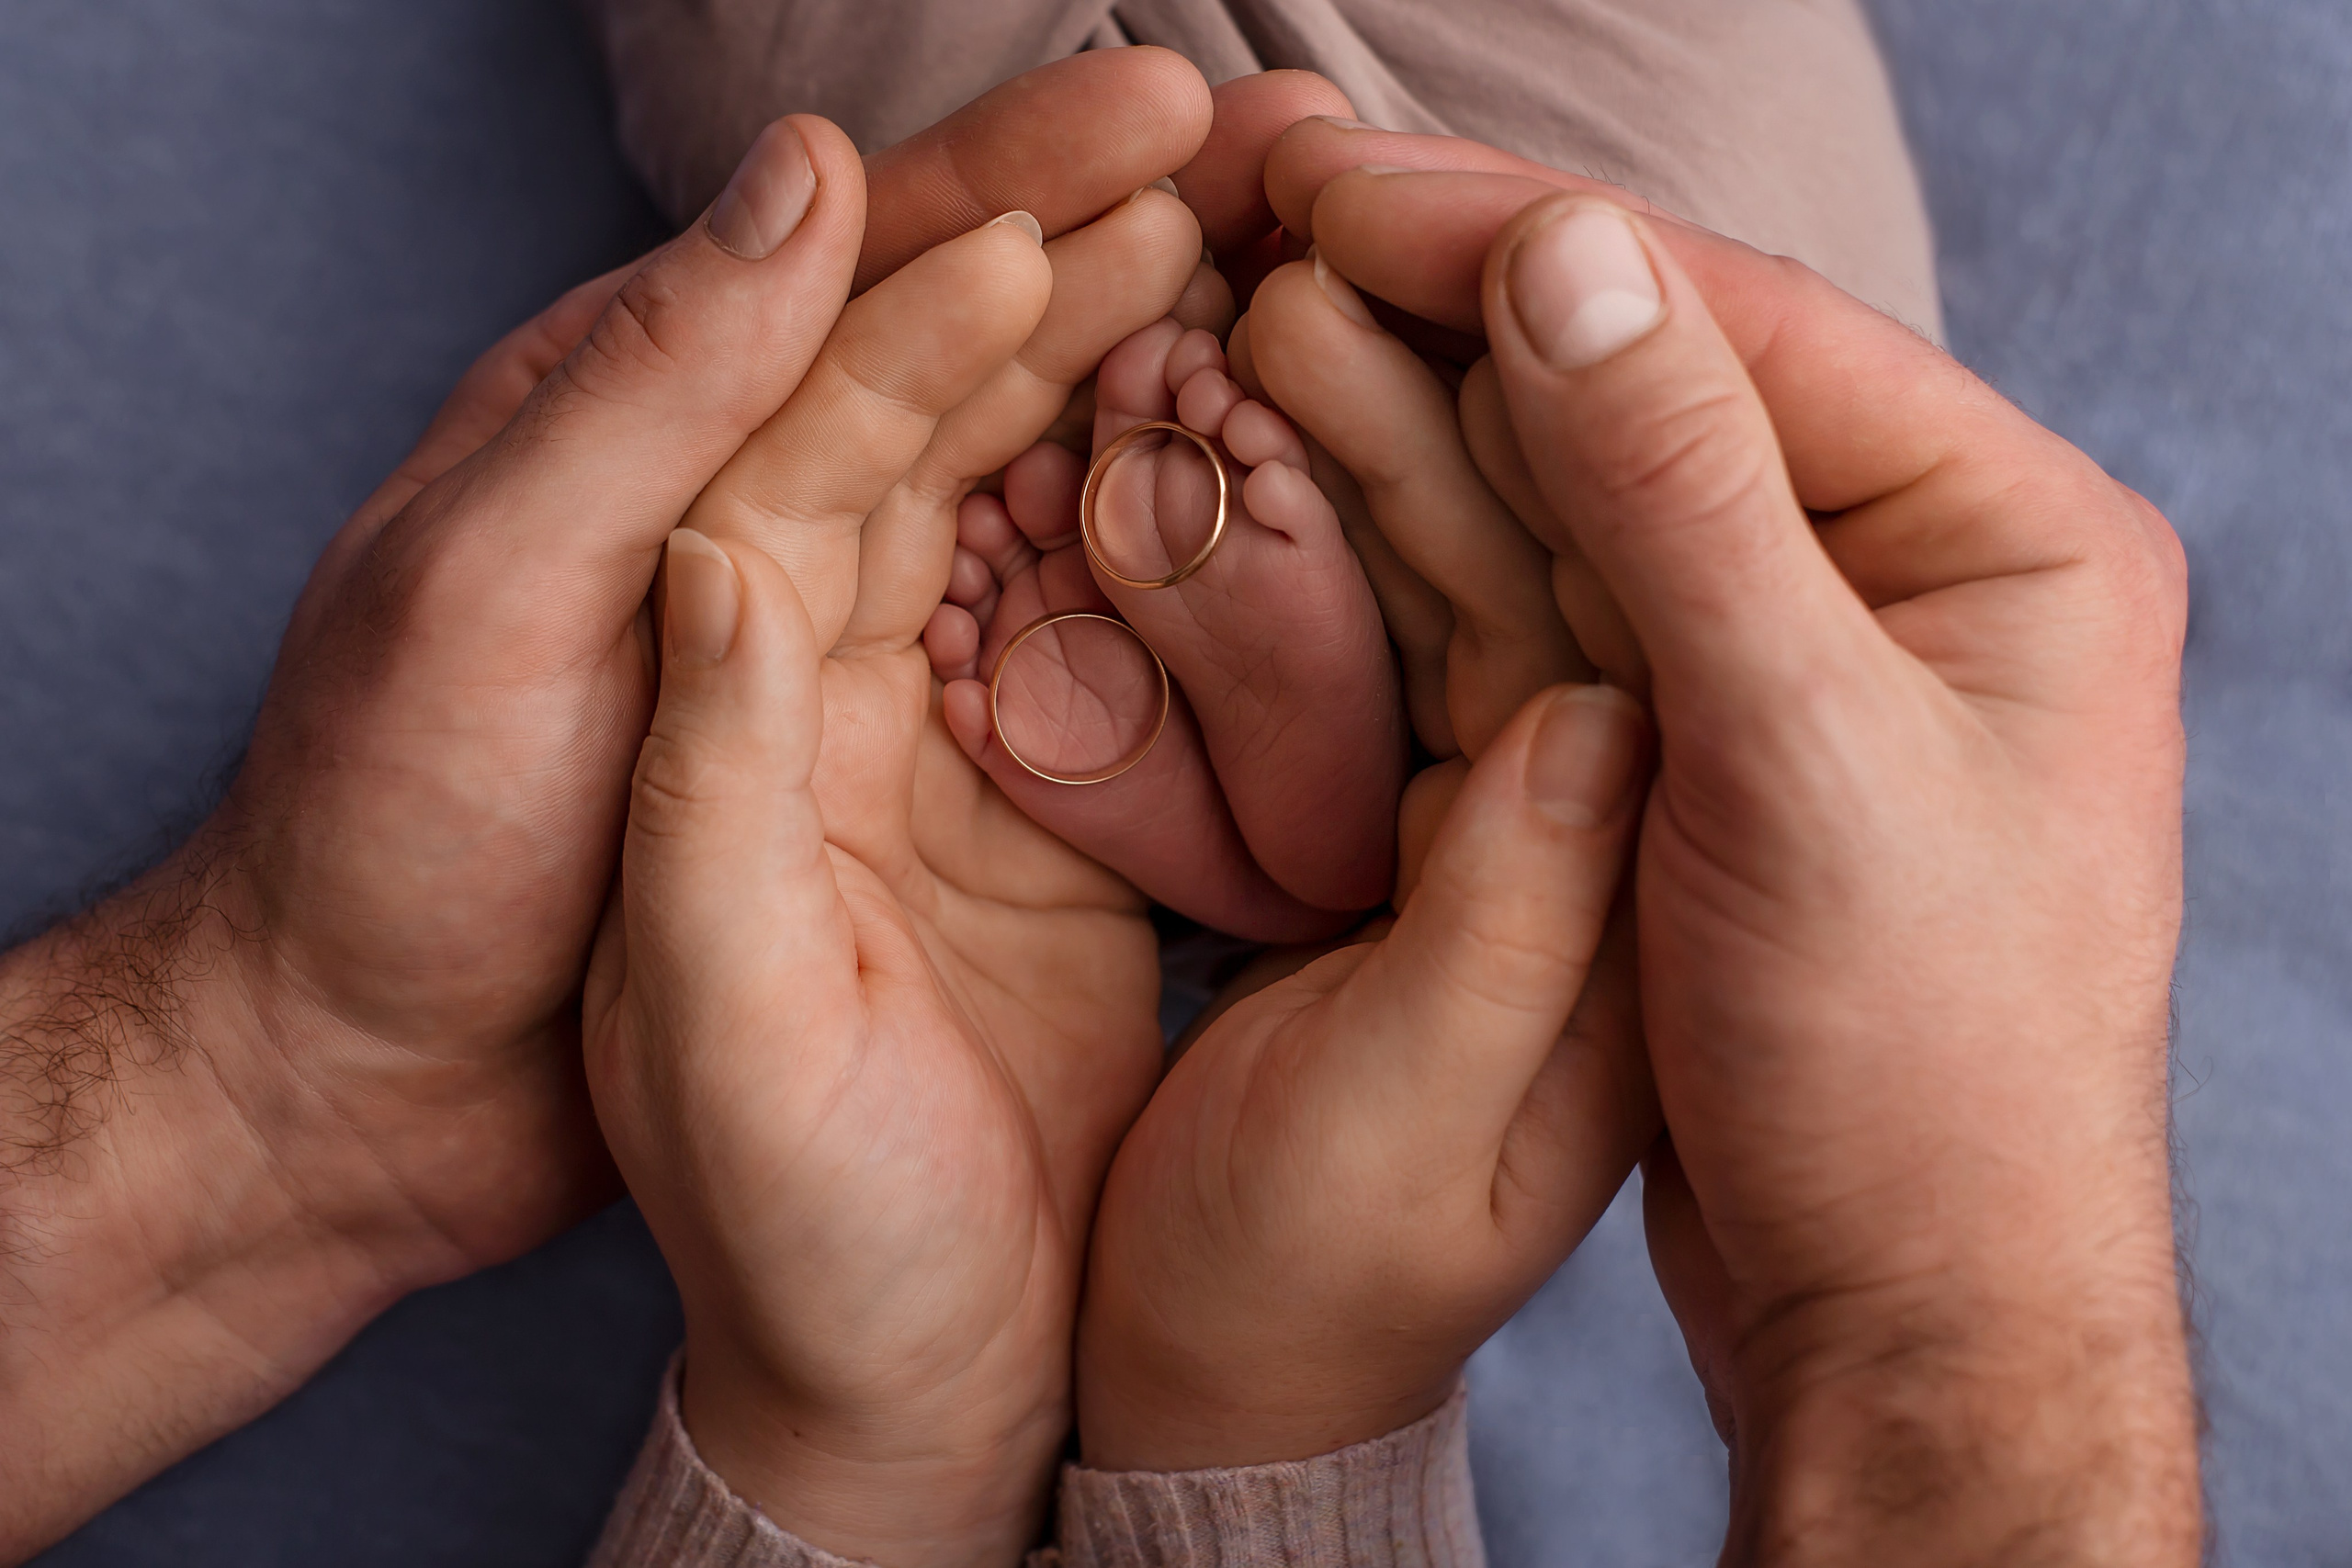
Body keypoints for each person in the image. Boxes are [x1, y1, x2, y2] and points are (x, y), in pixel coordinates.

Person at [0, 43, 2201, 1568]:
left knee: (1073, 214)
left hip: (1073, 448)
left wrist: (280, 1065)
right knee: (1597, 407)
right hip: (1516, 556)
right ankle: (1303, 763)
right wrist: (1948, 1326)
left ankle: (1291, 749)